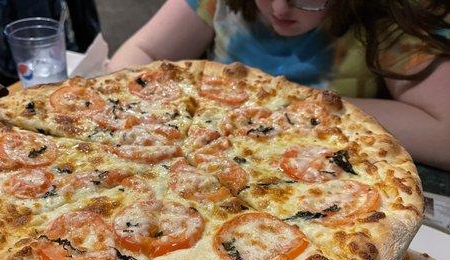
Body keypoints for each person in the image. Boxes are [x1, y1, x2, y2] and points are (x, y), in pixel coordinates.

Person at [107, 0, 450, 171]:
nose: (280, 7)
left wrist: (287, 103)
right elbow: (140, 53)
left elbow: (445, 135)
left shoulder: (387, 18)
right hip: (199, 159)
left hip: (321, 174)